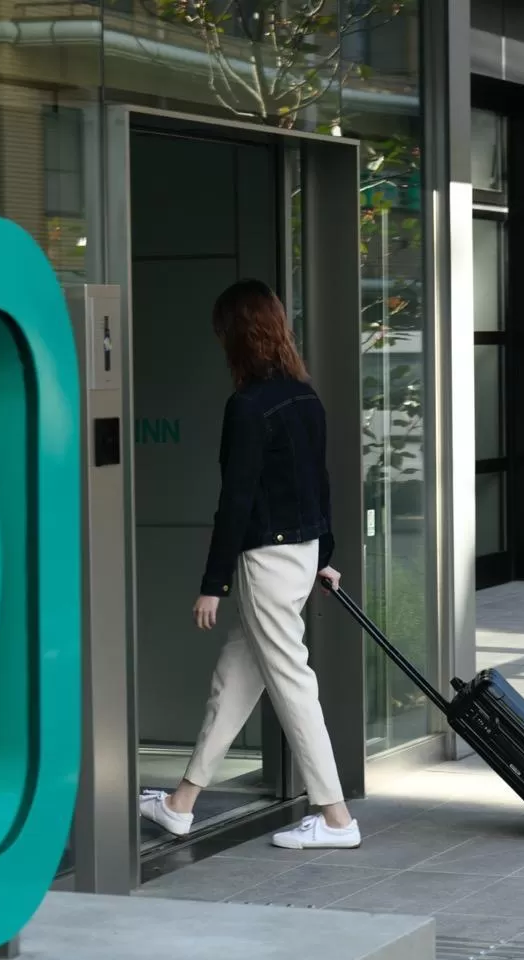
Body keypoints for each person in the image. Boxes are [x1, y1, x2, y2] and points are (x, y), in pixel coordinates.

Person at [138, 279, 361, 851]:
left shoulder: (248, 406)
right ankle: (180, 804)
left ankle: (336, 818)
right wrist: (323, 556)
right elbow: (321, 483)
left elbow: (235, 502)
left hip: (267, 560)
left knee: (292, 685)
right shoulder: (304, 396)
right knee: (234, 682)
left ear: (234, 338)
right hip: (299, 553)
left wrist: (212, 584)